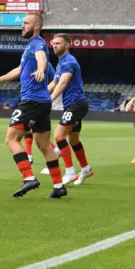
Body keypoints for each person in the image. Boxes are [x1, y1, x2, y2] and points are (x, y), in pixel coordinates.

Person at [0, 12, 67, 199]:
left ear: (36, 26)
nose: (22, 26)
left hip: (31, 101)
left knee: (11, 139)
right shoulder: (31, 47)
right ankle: (59, 185)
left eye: (26, 23)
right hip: (43, 102)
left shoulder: (38, 44)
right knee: (44, 144)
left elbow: (42, 61)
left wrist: (40, 68)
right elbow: (21, 70)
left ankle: (29, 177)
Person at [48, 33, 93, 185]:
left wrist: (49, 100)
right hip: (72, 105)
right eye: (54, 43)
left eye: (58, 43)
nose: (54, 46)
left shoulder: (69, 61)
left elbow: (63, 83)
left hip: (77, 104)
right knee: (73, 140)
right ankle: (86, 169)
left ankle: (69, 171)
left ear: (67, 45)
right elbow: (54, 83)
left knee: (59, 136)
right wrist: (39, 97)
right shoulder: (60, 63)